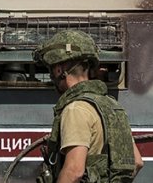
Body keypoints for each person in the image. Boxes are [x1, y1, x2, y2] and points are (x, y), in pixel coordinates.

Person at [33, 30, 143, 183]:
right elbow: (136, 162)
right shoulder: (112, 106)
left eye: (51, 69)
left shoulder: (75, 109)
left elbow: (74, 171)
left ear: (59, 69)